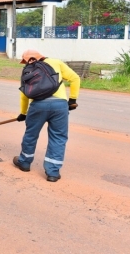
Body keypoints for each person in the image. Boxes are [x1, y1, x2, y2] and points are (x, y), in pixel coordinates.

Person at [13, 49, 80, 182]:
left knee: (31, 134)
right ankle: (53, 172)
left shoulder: (28, 70)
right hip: (59, 106)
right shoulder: (56, 62)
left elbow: (24, 95)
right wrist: (72, 99)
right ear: (42, 56)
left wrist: (23, 113)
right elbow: (75, 79)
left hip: (37, 107)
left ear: (26, 60)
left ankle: (24, 163)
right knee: (58, 137)